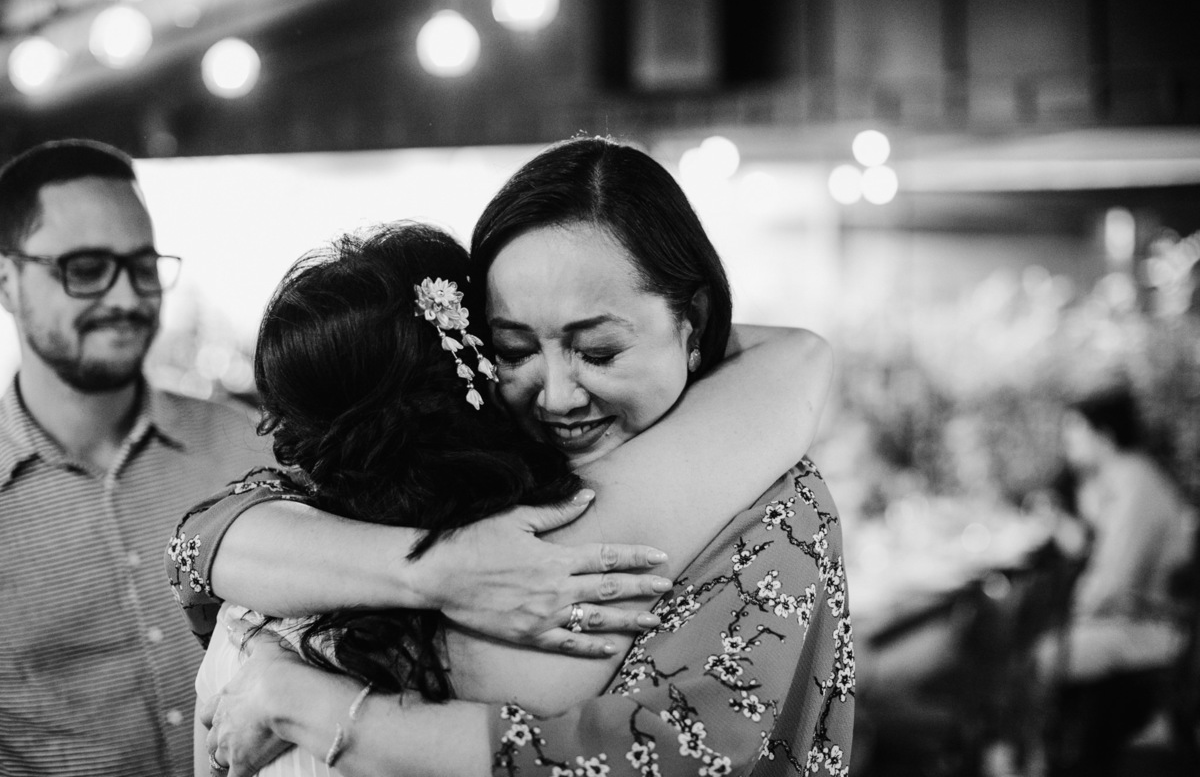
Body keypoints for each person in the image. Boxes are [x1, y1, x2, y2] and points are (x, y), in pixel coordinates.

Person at [183, 136, 852, 776]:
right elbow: (198, 545)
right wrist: (437, 572)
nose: (557, 397)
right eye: (513, 351)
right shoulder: (447, 480)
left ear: (694, 322)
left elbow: (685, 754)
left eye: (598, 352)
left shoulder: (775, 506)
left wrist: (314, 704)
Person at [0, 139, 275, 777]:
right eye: (87, 268)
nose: (126, 297)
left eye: (142, 266)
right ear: (8, 282)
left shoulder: (249, 449)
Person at [1045, 386, 1198, 775]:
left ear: (1104, 435)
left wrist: (1076, 608)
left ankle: (1053, 760)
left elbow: (1113, 580)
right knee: (1037, 646)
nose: (1066, 444)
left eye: (1074, 432)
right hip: (1140, 619)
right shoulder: (1125, 477)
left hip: (1156, 630)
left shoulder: (1135, 481)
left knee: (1038, 659)